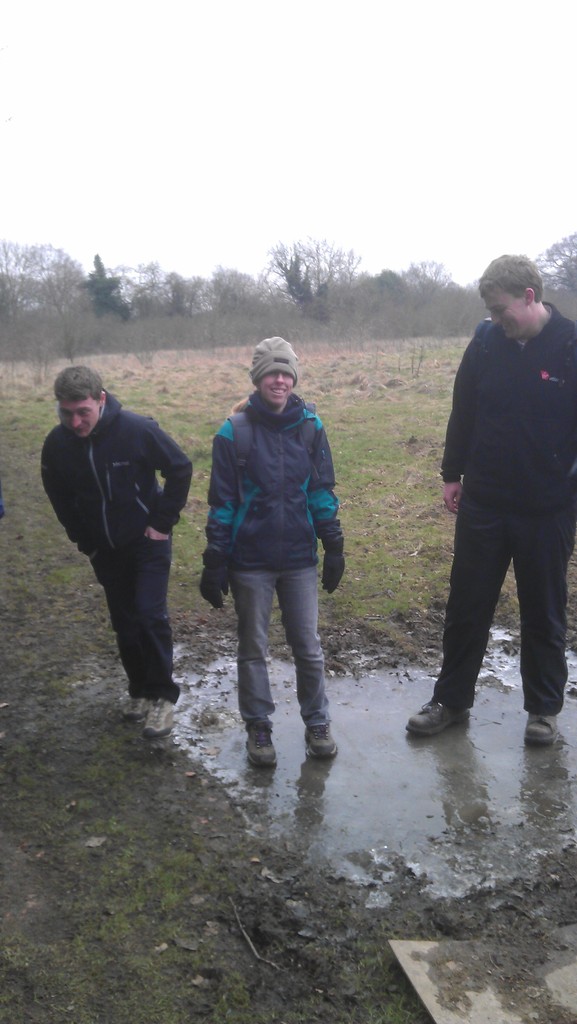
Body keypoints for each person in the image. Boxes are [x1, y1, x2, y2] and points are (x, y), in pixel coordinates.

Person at [406, 255, 577, 747]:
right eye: (490, 311)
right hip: (484, 502)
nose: (497, 320)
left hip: (547, 508)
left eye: (502, 310)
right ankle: (451, 701)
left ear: (530, 296)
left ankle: (543, 710)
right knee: (467, 605)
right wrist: (451, 473)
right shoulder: (485, 342)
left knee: (544, 611)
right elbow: (463, 408)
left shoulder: (570, 345)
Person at [199, 337, 344, 767]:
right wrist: (215, 558)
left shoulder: (310, 427)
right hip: (250, 562)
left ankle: (317, 722)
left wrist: (333, 543)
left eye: (286, 373)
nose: (279, 380)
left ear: (293, 378)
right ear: (258, 379)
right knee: (252, 648)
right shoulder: (233, 433)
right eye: (271, 373)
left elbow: (320, 490)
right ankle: (258, 726)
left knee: (308, 647)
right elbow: (223, 502)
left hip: (299, 558)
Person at [41, 365, 192, 739]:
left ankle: (162, 698)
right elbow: (58, 495)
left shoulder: (137, 429)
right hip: (105, 548)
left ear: (101, 400)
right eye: (66, 413)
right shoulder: (57, 445)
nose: (75, 422)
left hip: (148, 542)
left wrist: (162, 523)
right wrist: (85, 542)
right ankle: (138, 690)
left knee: (149, 614)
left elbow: (180, 468)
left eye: (83, 412)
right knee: (125, 623)